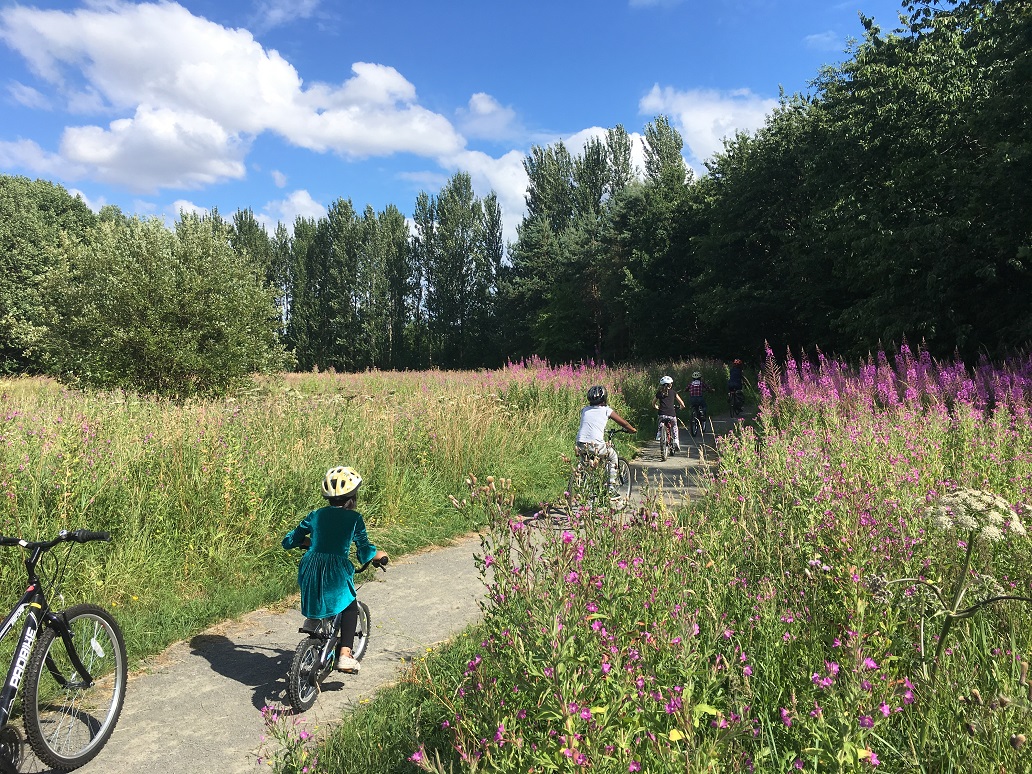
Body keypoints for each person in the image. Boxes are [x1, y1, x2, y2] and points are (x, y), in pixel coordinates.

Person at [282, 466, 389, 673]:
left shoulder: (316, 515)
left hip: (310, 566)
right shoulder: (354, 519)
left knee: (317, 590)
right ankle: (345, 655)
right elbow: (364, 550)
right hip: (335, 570)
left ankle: (314, 621)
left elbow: (290, 540)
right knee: (349, 605)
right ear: (353, 496)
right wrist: (379, 555)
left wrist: (307, 543)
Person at [576, 385, 636, 494]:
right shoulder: (606, 410)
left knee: (587, 462)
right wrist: (631, 429)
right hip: (596, 445)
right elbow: (624, 423)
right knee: (612, 456)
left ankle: (585, 484)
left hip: (580, 443)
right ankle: (611, 488)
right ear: (604, 398)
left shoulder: (584, 410)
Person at [653, 375, 685, 452]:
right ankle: (676, 440)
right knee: (674, 426)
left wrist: (656, 407)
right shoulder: (674, 393)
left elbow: (653, 403)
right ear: (671, 384)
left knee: (660, 421)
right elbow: (682, 404)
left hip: (662, 413)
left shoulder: (659, 393)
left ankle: (659, 433)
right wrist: (681, 407)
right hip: (672, 414)